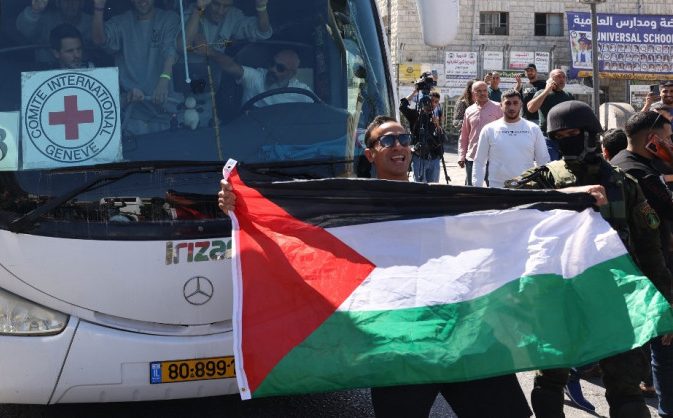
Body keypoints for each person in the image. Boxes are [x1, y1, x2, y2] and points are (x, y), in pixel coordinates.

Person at [218, 115, 532, 418]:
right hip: (398, 345)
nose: (399, 146)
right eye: (388, 140)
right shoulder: (352, 204)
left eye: (404, 139)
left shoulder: (437, 197)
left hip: (458, 331)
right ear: (370, 153)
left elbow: (503, 216)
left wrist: (576, 197)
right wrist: (239, 203)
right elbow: (290, 222)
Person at [508, 101, 673, 418]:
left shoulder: (625, 184)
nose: (567, 140)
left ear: (591, 134)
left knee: (627, 393)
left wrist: (663, 302)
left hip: (615, 301)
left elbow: (650, 249)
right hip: (559, 299)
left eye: (574, 133)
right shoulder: (544, 179)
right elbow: (506, 205)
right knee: (549, 385)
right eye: (561, 135)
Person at [610, 111, 673, 418]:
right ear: (653, 141)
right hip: (651, 267)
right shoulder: (639, 172)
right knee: (666, 345)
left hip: (636, 267)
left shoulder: (623, 160)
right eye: (669, 137)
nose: (672, 143)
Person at [92, 0, 178, 106]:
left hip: (166, 104)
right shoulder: (122, 22)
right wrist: (99, 6)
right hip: (133, 108)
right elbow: (99, 40)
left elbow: (170, 51)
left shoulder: (168, 19)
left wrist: (164, 80)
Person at [179, 0, 272, 80]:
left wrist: (261, 7)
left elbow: (262, 33)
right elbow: (182, 46)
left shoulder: (233, 16)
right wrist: (199, 8)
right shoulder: (193, 11)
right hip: (182, 85)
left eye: (226, 6)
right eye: (216, 4)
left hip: (211, 88)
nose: (220, 11)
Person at [471, 90, 549, 188]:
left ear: (521, 105)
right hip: (497, 187)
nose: (512, 107)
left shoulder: (533, 129)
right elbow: (479, 161)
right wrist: (477, 187)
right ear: (501, 105)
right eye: (507, 103)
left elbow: (543, 160)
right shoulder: (489, 129)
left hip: (526, 187)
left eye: (515, 103)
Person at [198, 44, 312, 107]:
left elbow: (319, 113)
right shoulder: (256, 77)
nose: (272, 69)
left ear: (292, 74)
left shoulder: (302, 93)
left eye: (280, 68)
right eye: (272, 63)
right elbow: (231, 66)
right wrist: (210, 51)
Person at [16, 0, 94, 65]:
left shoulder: (93, 23)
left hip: (88, 74)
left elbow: (104, 45)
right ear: (57, 2)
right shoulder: (45, 21)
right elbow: (24, 30)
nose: (70, 4)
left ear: (82, 2)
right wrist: (34, 11)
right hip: (43, 74)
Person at [458, 81, 501, 185]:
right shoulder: (469, 110)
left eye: (485, 90)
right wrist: (461, 156)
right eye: (479, 91)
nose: (483, 93)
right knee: (472, 190)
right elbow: (464, 136)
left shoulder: (498, 108)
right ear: (473, 93)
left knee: (494, 189)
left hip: (493, 158)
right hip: (472, 157)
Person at [400, 83, 445, 183]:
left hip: (434, 158)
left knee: (434, 189)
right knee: (420, 188)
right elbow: (402, 107)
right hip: (419, 157)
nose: (433, 103)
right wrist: (415, 91)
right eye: (431, 100)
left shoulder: (436, 117)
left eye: (436, 102)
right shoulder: (416, 115)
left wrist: (438, 125)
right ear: (425, 100)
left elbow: (441, 139)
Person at [527, 68, 574, 161]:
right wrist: (547, 90)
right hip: (548, 138)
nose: (562, 79)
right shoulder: (541, 93)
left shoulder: (568, 95)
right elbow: (531, 108)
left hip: (565, 138)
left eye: (564, 77)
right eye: (558, 77)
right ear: (550, 80)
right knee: (550, 166)